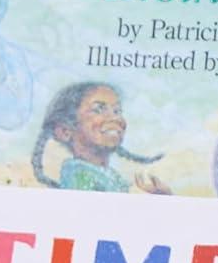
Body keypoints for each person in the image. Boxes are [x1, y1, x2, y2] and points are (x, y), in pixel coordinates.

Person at [31, 82, 169, 194]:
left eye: (117, 111)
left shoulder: (105, 175)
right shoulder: (80, 178)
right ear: (65, 132)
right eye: (98, 109)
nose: (116, 118)